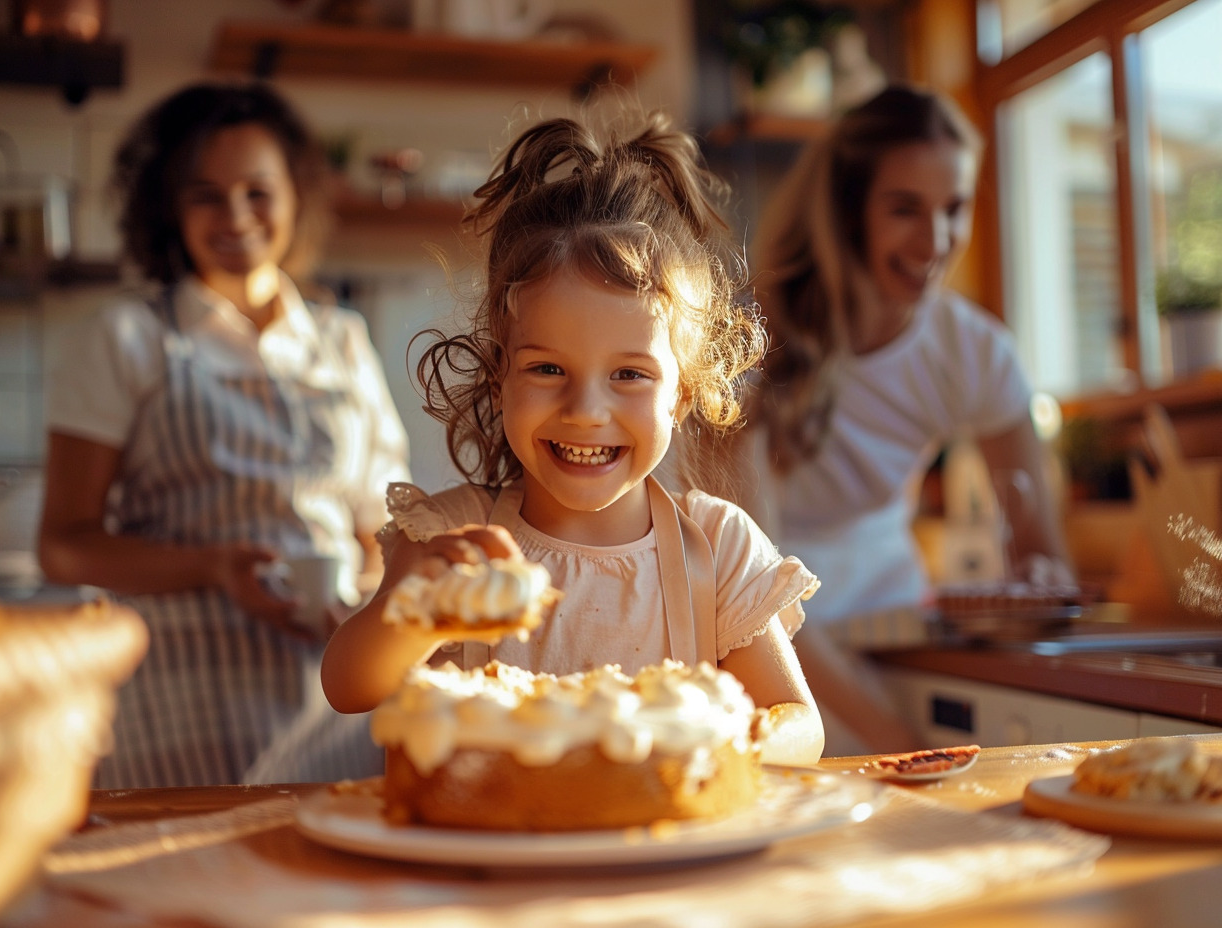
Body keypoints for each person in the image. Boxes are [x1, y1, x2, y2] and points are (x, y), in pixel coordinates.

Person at [321, 109, 826, 767]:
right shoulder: (451, 538)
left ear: (680, 395)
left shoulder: (718, 548)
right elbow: (347, 685)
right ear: (500, 377)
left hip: (657, 860)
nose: (586, 410)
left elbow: (801, 727)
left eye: (629, 374)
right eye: (547, 368)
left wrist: (726, 741)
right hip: (481, 864)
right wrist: (418, 616)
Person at [36, 81, 411, 788]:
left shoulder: (343, 341)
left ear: (296, 196)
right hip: (182, 706)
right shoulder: (127, 338)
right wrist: (212, 568)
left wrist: (359, 579)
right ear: (170, 210)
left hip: (336, 706)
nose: (234, 215)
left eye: (257, 191)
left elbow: (379, 527)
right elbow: (63, 544)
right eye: (205, 194)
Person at [735, 83, 1076, 754]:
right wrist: (903, 742)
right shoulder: (748, 341)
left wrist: (1036, 589)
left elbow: (1041, 550)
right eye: (904, 209)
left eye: (955, 209)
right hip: (765, 640)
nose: (937, 240)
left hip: (894, 629)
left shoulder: (974, 351)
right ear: (847, 210)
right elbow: (755, 593)